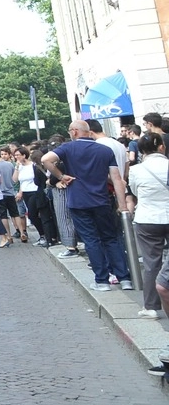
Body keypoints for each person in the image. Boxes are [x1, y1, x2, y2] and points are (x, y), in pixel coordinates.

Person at [43, 120, 132, 291]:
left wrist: (61, 176)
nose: (69, 134)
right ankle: (124, 277)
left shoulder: (68, 148)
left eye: (70, 130)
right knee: (111, 238)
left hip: (79, 201)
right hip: (102, 200)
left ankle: (102, 280)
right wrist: (122, 205)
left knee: (91, 240)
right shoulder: (105, 150)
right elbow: (116, 178)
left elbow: (46, 159)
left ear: (75, 132)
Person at [127, 131, 169, 317]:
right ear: (162, 146)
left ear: (142, 151)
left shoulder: (136, 170)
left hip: (147, 218)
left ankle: (151, 306)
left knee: (152, 262)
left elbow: (135, 191)